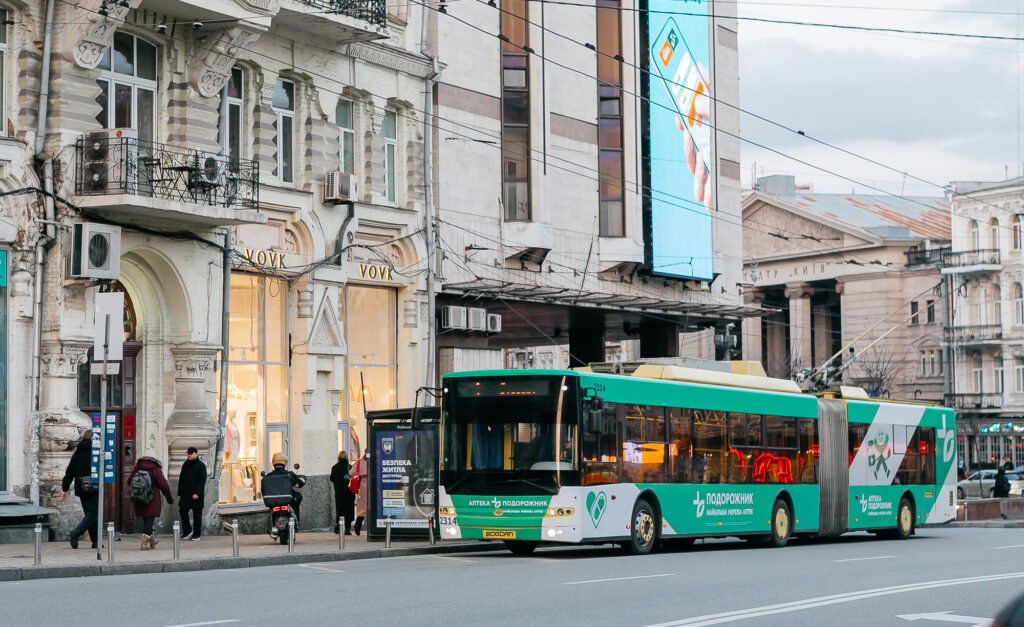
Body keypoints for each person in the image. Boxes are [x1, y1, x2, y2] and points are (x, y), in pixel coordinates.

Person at [127, 449, 173, 550]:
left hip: (139, 498)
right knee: (149, 521)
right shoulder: (156, 468)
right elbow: (164, 485)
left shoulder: (138, 467)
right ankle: (144, 544)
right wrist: (169, 498)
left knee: (147, 521)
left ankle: (153, 541)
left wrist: (139, 489)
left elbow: (129, 481)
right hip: (152, 498)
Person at [61, 429, 97, 549]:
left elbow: (70, 472)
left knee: (90, 513)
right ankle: (77, 532)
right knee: (94, 513)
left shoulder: (77, 453)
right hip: (93, 484)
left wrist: (65, 488)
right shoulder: (95, 452)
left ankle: (96, 541)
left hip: (81, 485)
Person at [263, 452, 306, 522]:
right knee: (298, 496)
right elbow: (300, 483)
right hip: (287, 500)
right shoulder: (290, 474)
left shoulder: (267, 476)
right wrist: (303, 479)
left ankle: (272, 522)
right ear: (284, 462)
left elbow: (263, 490)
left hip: (272, 502)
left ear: (273, 462)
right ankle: (296, 521)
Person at [177, 446, 207, 541]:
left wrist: (197, 493)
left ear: (196, 453)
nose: (188, 455)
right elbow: (181, 479)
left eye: (190, 453)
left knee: (197, 515)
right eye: (188, 453)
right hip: (185, 494)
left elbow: (202, 481)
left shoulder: (201, 465)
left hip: (196, 495)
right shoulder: (185, 464)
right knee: (182, 511)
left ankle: (197, 535)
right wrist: (179, 493)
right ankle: (187, 531)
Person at [330, 451, 354, 535]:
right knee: (348, 510)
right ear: (347, 457)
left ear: (338, 458)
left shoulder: (334, 467)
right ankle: (347, 529)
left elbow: (332, 478)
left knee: (340, 509)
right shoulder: (349, 467)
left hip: (339, 492)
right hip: (349, 492)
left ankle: (338, 527)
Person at [353, 451, 368, 535]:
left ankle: (357, 526)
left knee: (362, 508)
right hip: (374, 486)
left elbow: (351, 473)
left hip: (363, 487)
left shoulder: (360, 462)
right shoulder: (376, 460)